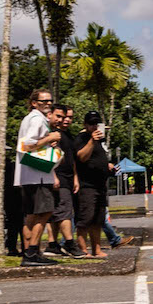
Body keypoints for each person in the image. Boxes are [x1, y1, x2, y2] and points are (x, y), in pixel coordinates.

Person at [16, 89, 63, 265]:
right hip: (39, 175)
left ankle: (30, 251)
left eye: (50, 100)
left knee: (31, 215)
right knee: (45, 212)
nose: (48, 103)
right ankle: (32, 252)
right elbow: (28, 145)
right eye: (43, 101)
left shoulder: (29, 118)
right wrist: (50, 137)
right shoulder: (37, 119)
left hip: (28, 174)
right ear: (34, 103)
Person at [72, 109, 111, 259]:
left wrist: (107, 165)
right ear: (85, 124)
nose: (94, 126)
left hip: (100, 185)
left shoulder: (100, 140)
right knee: (85, 218)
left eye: (96, 123)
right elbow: (81, 157)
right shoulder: (82, 138)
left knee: (98, 219)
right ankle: (83, 250)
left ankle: (97, 249)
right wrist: (91, 141)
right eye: (91, 123)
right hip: (86, 185)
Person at [51, 105, 85, 258]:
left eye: (70, 117)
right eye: (64, 117)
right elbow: (50, 155)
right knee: (64, 212)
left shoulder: (68, 136)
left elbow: (72, 160)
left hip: (69, 177)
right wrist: (53, 175)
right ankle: (69, 243)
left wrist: (75, 177)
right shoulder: (54, 134)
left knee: (58, 212)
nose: (66, 120)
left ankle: (53, 245)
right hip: (59, 176)